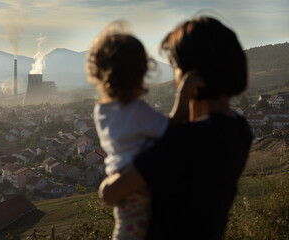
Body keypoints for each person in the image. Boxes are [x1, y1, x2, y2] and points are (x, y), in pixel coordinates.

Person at [99, 16, 253, 239]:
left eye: (175, 68)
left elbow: (110, 193)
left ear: (191, 75)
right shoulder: (239, 129)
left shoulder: (184, 142)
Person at [86, 27, 169, 239]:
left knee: (127, 226)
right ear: (140, 74)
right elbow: (172, 131)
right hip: (140, 185)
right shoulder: (137, 111)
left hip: (119, 180)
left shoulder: (101, 111)